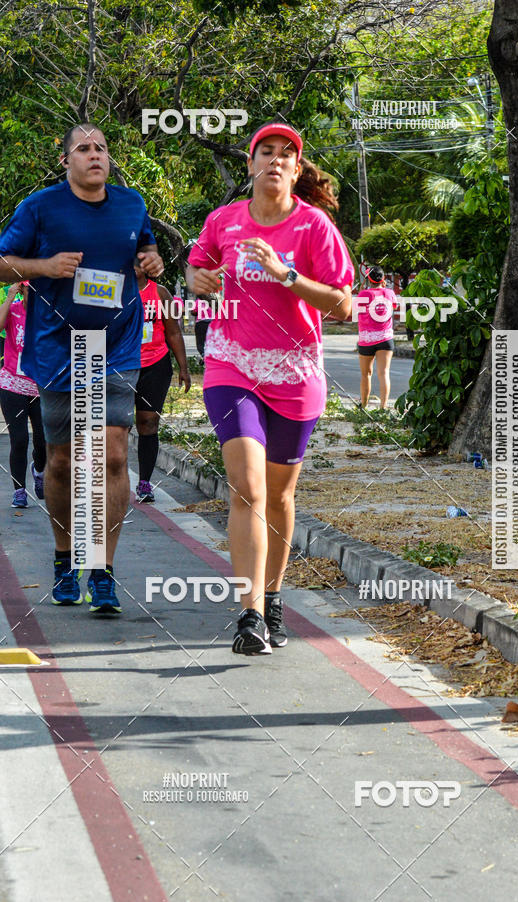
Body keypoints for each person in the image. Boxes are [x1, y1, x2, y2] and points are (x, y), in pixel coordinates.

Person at [187, 122, 354, 656]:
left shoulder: (314, 228)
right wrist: (199, 281)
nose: (276, 160)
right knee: (247, 490)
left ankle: (275, 598)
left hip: (295, 373)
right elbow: (197, 268)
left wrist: (287, 276)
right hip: (232, 366)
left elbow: (344, 306)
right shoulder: (223, 220)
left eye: (288, 154)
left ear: (297, 168)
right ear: (251, 164)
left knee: (281, 495)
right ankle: (249, 613)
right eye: (267, 151)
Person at [0, 122, 164, 614]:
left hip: (115, 345)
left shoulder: (132, 204)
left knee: (113, 456)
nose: (95, 155)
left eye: (102, 148)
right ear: (67, 161)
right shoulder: (40, 207)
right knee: (64, 461)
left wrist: (152, 261)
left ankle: (103, 569)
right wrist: (43, 267)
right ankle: (64, 559)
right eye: (84, 149)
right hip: (58, 348)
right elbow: (3, 261)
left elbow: (146, 250)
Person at [134, 258, 191, 502]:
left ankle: (144, 482)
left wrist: (184, 367)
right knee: (116, 424)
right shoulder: (110, 291)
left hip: (155, 364)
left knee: (148, 423)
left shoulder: (161, 293)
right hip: (122, 367)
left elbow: (173, 331)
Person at [0, 281, 46, 508]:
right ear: (21, 289)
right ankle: (19, 490)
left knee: (43, 440)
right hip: (11, 385)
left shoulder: (48, 314)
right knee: (19, 439)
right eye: (29, 288)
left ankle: (38, 471)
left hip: (41, 388)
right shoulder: (13, 310)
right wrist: (9, 299)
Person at [356, 265, 395, 409]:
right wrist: (384, 290)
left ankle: (364, 406)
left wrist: (362, 291)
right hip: (385, 339)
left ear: (368, 280)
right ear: (383, 279)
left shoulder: (363, 295)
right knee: (384, 373)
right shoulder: (389, 293)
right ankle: (383, 408)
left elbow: (355, 311)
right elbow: (394, 306)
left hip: (366, 340)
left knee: (366, 374)